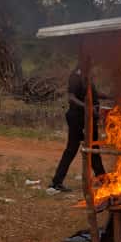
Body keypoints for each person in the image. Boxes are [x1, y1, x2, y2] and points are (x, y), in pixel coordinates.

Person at [47, 66, 107, 194]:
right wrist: (87, 107)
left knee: (94, 149)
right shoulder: (76, 76)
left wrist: (110, 96)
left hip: (89, 119)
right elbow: (71, 97)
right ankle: (57, 182)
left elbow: (93, 94)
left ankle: (102, 178)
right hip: (77, 118)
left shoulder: (87, 75)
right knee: (72, 149)